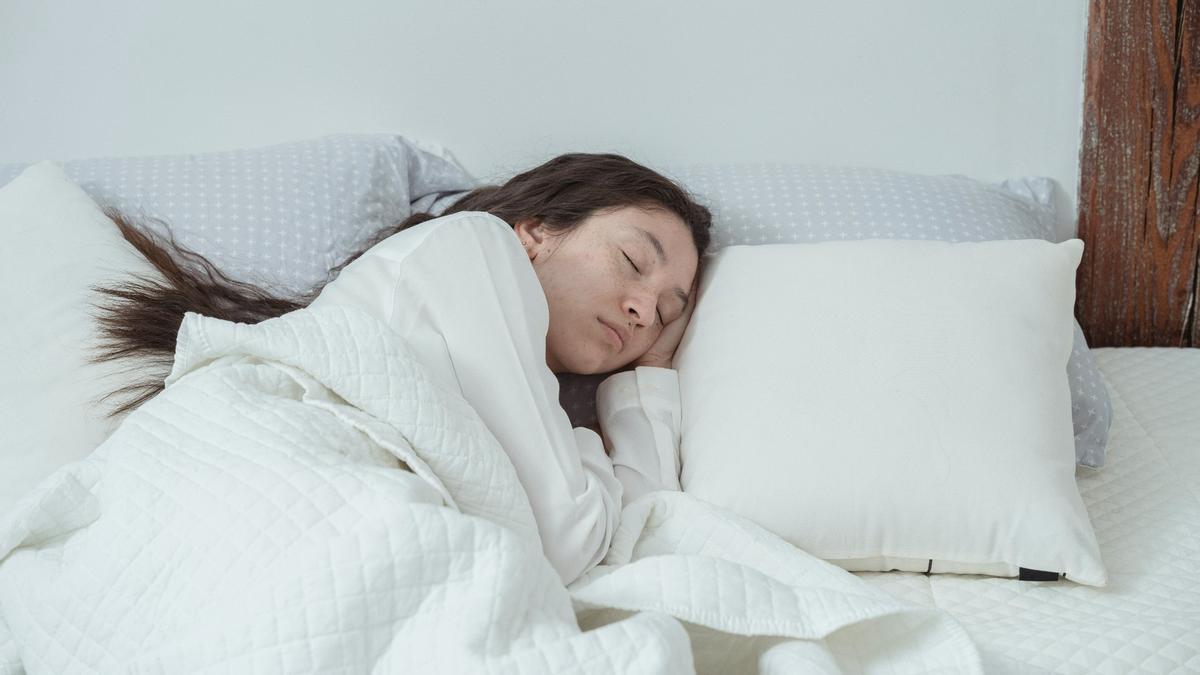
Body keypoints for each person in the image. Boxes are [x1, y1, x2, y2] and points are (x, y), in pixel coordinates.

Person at [93, 152, 712, 584]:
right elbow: (569, 539)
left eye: (666, 313)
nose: (641, 311)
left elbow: (645, 538)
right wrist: (586, 446)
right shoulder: (473, 246)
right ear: (536, 233)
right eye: (633, 260)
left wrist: (649, 374)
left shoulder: (532, 395)